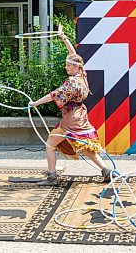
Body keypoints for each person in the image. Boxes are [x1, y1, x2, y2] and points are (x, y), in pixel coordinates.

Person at [28, 24, 112, 186]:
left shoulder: (71, 83)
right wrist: (63, 37)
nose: (66, 67)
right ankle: (105, 170)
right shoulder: (82, 75)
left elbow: (53, 96)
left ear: (76, 67)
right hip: (81, 116)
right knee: (86, 147)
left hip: (70, 120)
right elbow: (74, 55)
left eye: (68, 65)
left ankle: (52, 177)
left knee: (50, 145)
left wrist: (34, 103)